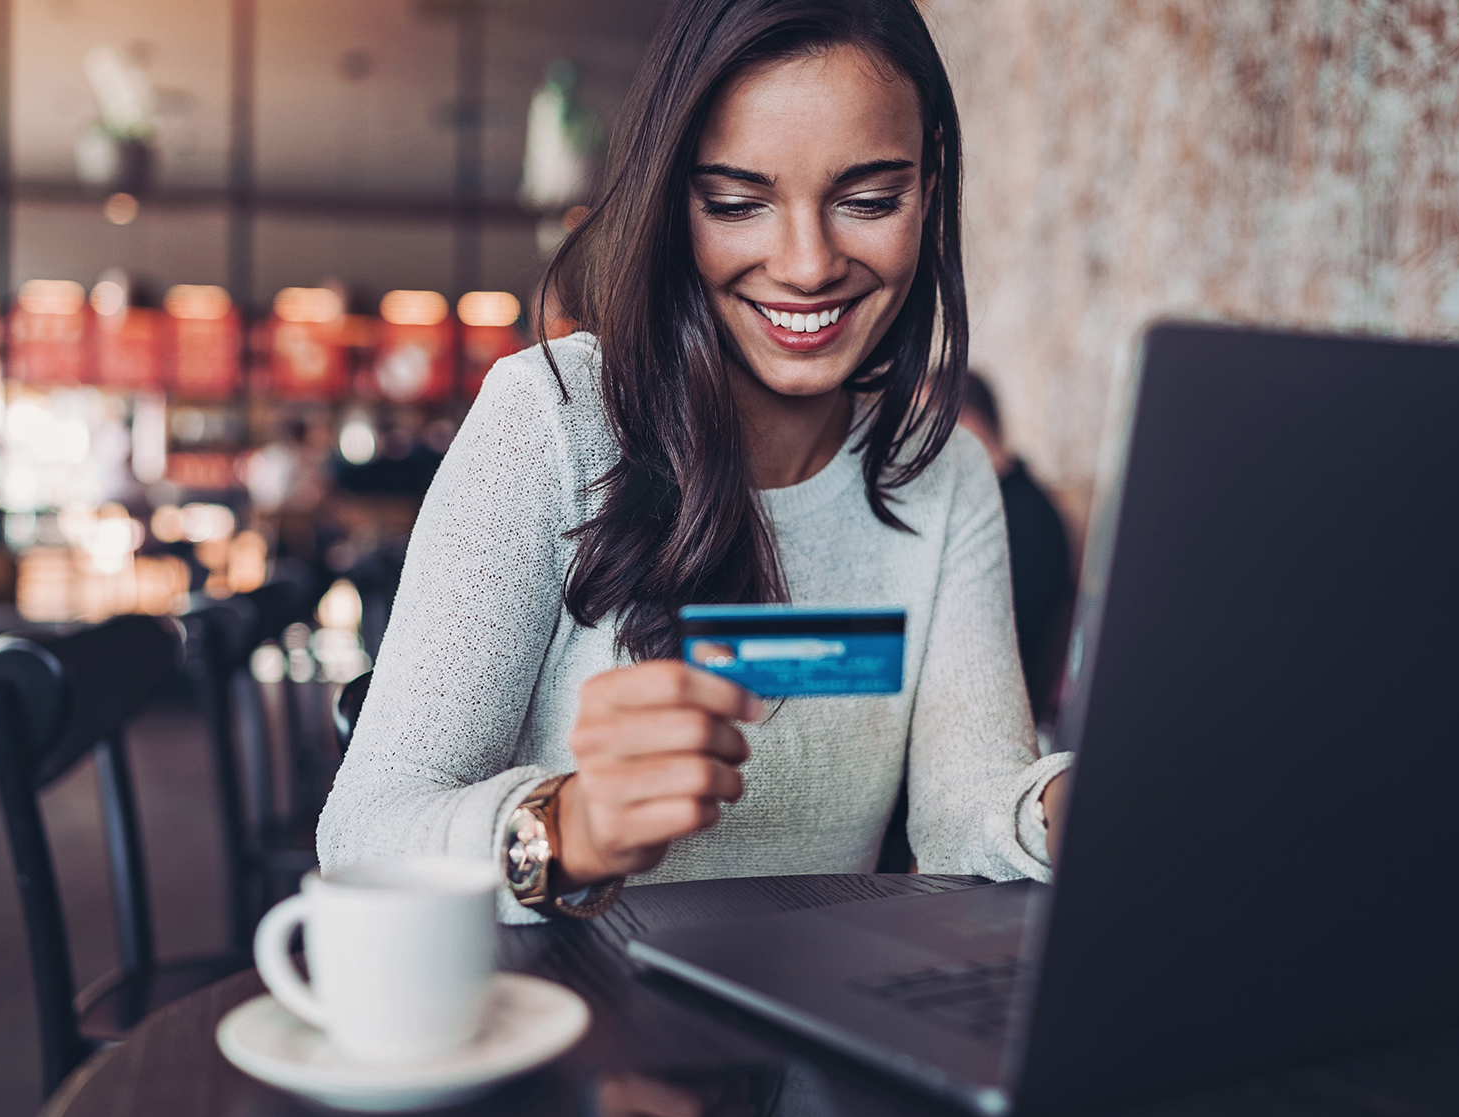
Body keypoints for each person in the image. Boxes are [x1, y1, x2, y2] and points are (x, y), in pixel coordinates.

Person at [318, 0, 1072, 924]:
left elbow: (965, 812)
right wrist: (571, 829)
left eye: (870, 201)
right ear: (673, 203)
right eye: (737, 202)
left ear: (930, 190)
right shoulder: (552, 418)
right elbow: (362, 829)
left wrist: (1062, 808)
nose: (806, 265)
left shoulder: (942, 474)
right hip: (576, 1031)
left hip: (817, 1036)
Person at [958, 371, 1075, 722]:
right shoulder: (997, 502)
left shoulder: (1025, 519)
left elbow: (989, 648)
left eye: (923, 427)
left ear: (968, 426)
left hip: (1005, 716)